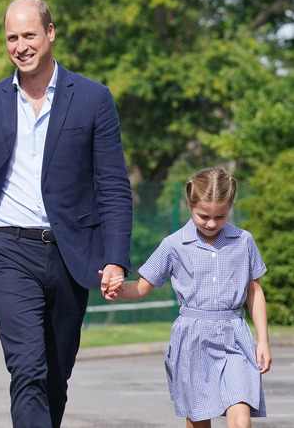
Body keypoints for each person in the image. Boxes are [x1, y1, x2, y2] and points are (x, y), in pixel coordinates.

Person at [0, 0, 133, 428]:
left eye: (29, 35)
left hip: (72, 254)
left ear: (50, 33)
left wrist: (115, 258)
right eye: (12, 37)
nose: (20, 46)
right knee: (27, 370)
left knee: (55, 374)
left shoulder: (93, 98)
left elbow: (114, 187)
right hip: (7, 248)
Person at [104, 168, 271, 428]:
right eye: (203, 216)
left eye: (220, 216)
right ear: (190, 205)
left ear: (230, 207)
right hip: (192, 340)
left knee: (241, 413)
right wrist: (116, 290)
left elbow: (254, 291)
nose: (212, 223)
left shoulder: (243, 241)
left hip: (235, 337)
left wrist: (263, 341)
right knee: (198, 419)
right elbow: (142, 287)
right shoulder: (173, 244)